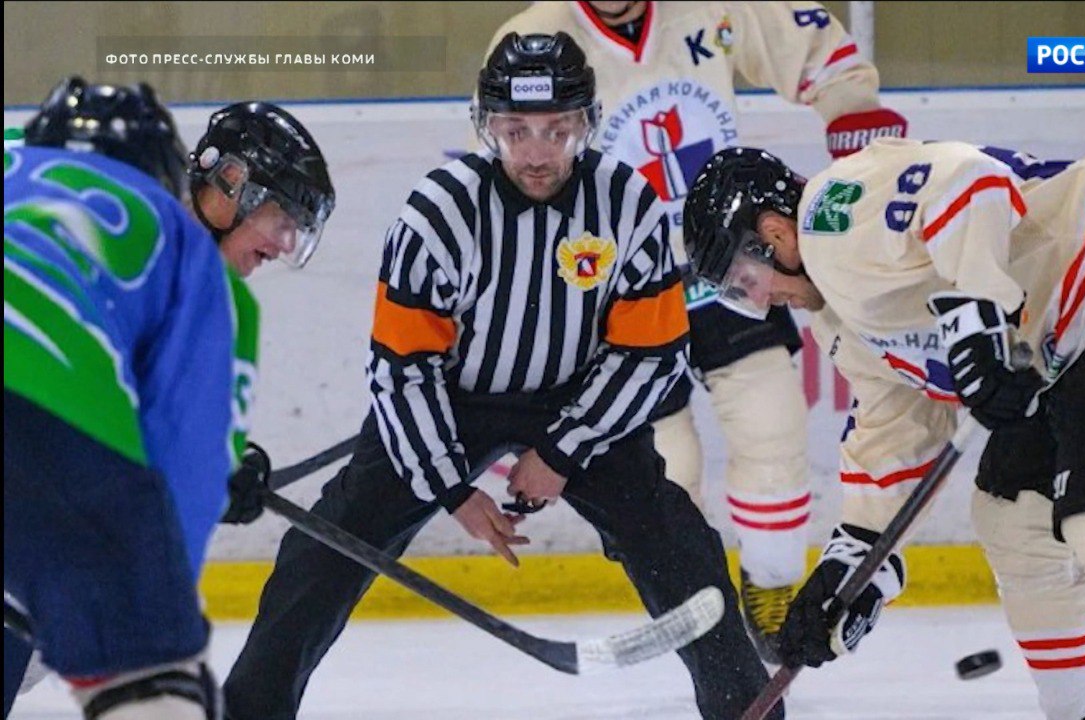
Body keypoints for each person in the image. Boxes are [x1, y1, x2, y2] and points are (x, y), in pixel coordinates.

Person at [222, 32, 780, 720]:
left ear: (587, 124)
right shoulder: (438, 213)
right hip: (452, 402)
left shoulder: (627, 203)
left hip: (581, 401)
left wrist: (562, 451)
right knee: (321, 556)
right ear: (486, 126)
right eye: (516, 131)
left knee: (680, 547)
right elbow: (402, 369)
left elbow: (651, 352)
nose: (536, 153)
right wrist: (451, 488)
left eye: (556, 131)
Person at [682, 143, 1085, 719]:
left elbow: (968, 182)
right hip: (1073, 334)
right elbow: (896, 432)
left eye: (743, 280)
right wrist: (850, 570)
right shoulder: (838, 316)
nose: (761, 301)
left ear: (774, 233)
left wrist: (974, 325)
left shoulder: (832, 213)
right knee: (1014, 517)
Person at [486, 0, 908, 663]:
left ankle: (771, 595)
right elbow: (509, 176)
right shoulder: (531, 39)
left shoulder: (712, 7)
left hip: (729, 264)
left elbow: (813, 49)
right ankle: (697, 611)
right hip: (617, 291)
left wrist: (851, 110)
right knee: (667, 469)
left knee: (772, 421)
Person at [3, 77, 335, 719]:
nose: (283, 244)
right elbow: (183, 480)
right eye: (283, 219)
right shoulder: (203, 279)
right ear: (232, 183)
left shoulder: (19, 164)